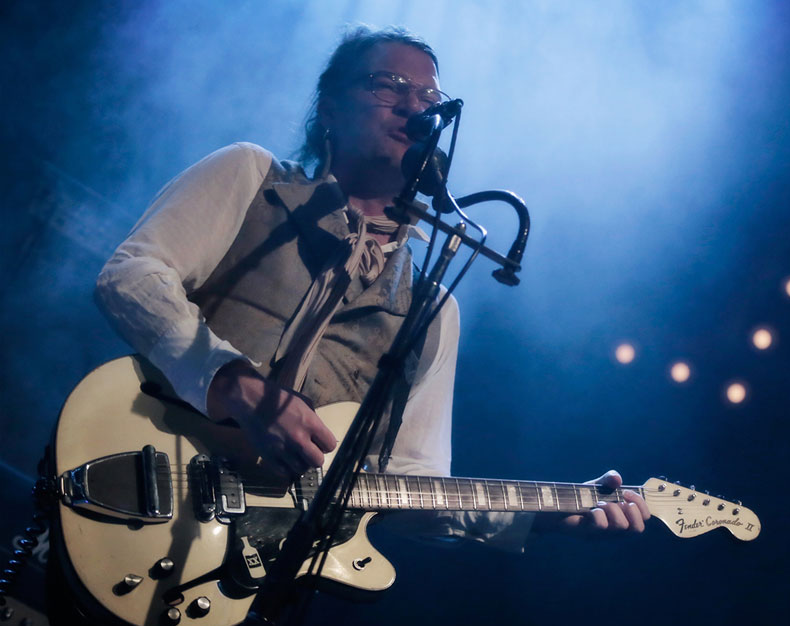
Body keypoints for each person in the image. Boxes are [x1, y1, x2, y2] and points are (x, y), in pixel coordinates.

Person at [95, 26, 649, 552]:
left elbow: (414, 483)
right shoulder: (251, 176)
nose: (415, 107)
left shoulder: (432, 311)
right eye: (389, 85)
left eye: (431, 98)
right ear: (330, 107)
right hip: (138, 474)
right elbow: (132, 276)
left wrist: (548, 517)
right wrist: (238, 387)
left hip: (250, 572)